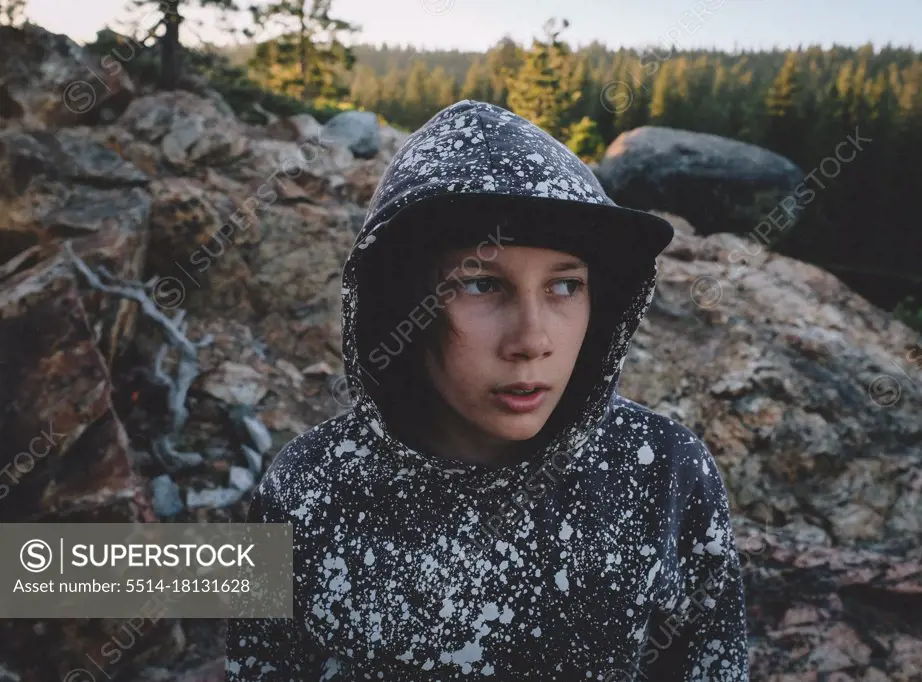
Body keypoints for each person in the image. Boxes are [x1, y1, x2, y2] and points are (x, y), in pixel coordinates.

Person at [225, 100, 749, 681]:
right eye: (480, 283)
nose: (531, 340)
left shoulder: (662, 471)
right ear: (405, 302)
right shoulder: (310, 486)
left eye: (565, 286)